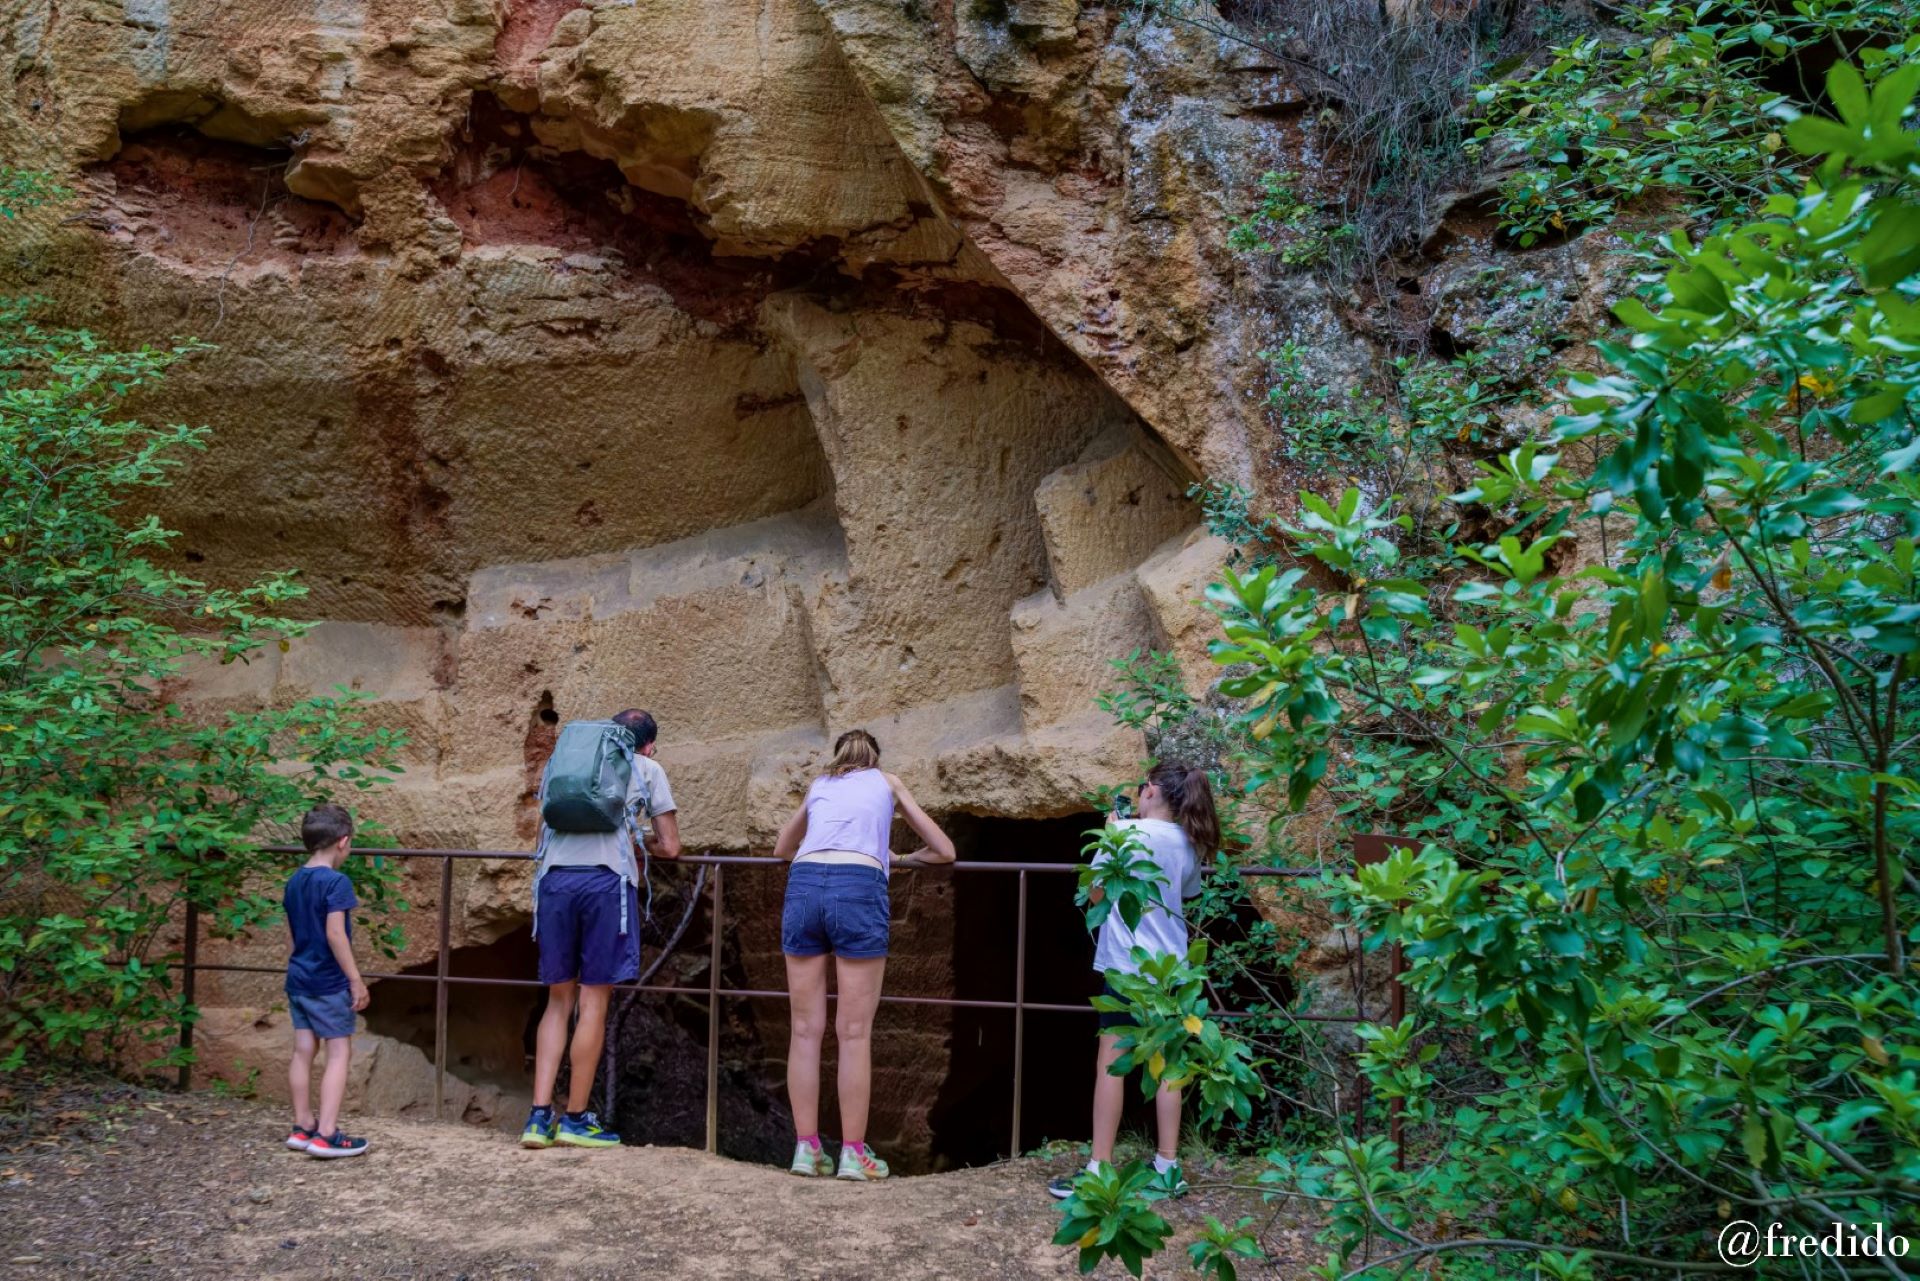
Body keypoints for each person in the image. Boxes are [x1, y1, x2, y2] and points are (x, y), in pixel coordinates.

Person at [772, 729, 954, 1181]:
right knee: (853, 1032)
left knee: (803, 1030)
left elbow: (781, 848)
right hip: (858, 886)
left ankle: (806, 1149)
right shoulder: (887, 782)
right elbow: (945, 850)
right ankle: (853, 1154)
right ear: (874, 759)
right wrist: (898, 856)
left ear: (839, 758)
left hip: (805, 884)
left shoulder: (820, 784)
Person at [1048, 762, 1219, 1200]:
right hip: (1172, 968)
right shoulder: (1188, 840)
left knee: (1112, 1061)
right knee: (1170, 1065)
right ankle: (1167, 1166)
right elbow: (1186, 893)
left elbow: (1096, 895)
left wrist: (1111, 835)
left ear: (1151, 791)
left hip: (1127, 966)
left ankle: (1100, 1169)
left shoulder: (1122, 835)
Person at [520, 708, 680, 1150]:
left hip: (554, 881)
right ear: (648, 744)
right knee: (592, 1003)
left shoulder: (563, 762)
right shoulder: (646, 766)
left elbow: (542, 834)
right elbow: (670, 846)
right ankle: (574, 1117)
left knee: (557, 1002)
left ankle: (537, 1118)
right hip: (605, 883)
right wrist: (636, 836)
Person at [282, 803, 372, 1159]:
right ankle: (327, 1133)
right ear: (343, 842)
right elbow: (336, 934)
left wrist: (296, 964)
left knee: (303, 1049)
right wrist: (356, 980)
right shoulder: (336, 882)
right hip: (328, 981)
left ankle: (302, 1125)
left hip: (299, 977)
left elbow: (288, 936)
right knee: (338, 1050)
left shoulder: (294, 881)